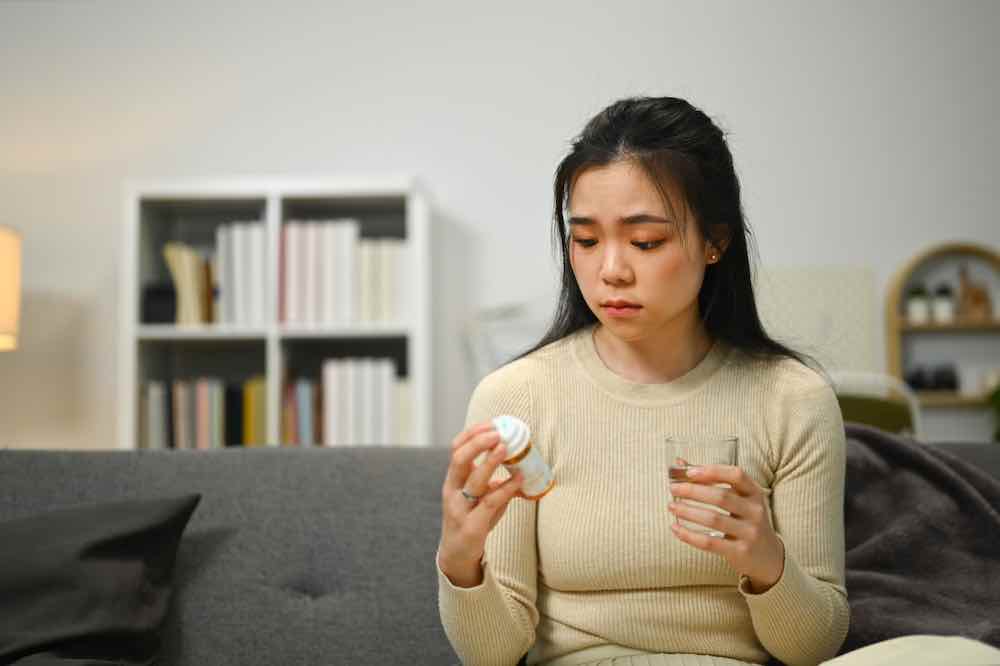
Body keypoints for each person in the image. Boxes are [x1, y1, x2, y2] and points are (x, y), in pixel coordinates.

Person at [435, 96, 1000, 666]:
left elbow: (811, 647)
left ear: (715, 241)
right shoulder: (517, 397)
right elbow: (494, 657)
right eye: (585, 240)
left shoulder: (792, 399)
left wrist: (765, 560)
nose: (611, 270)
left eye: (645, 241)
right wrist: (462, 561)